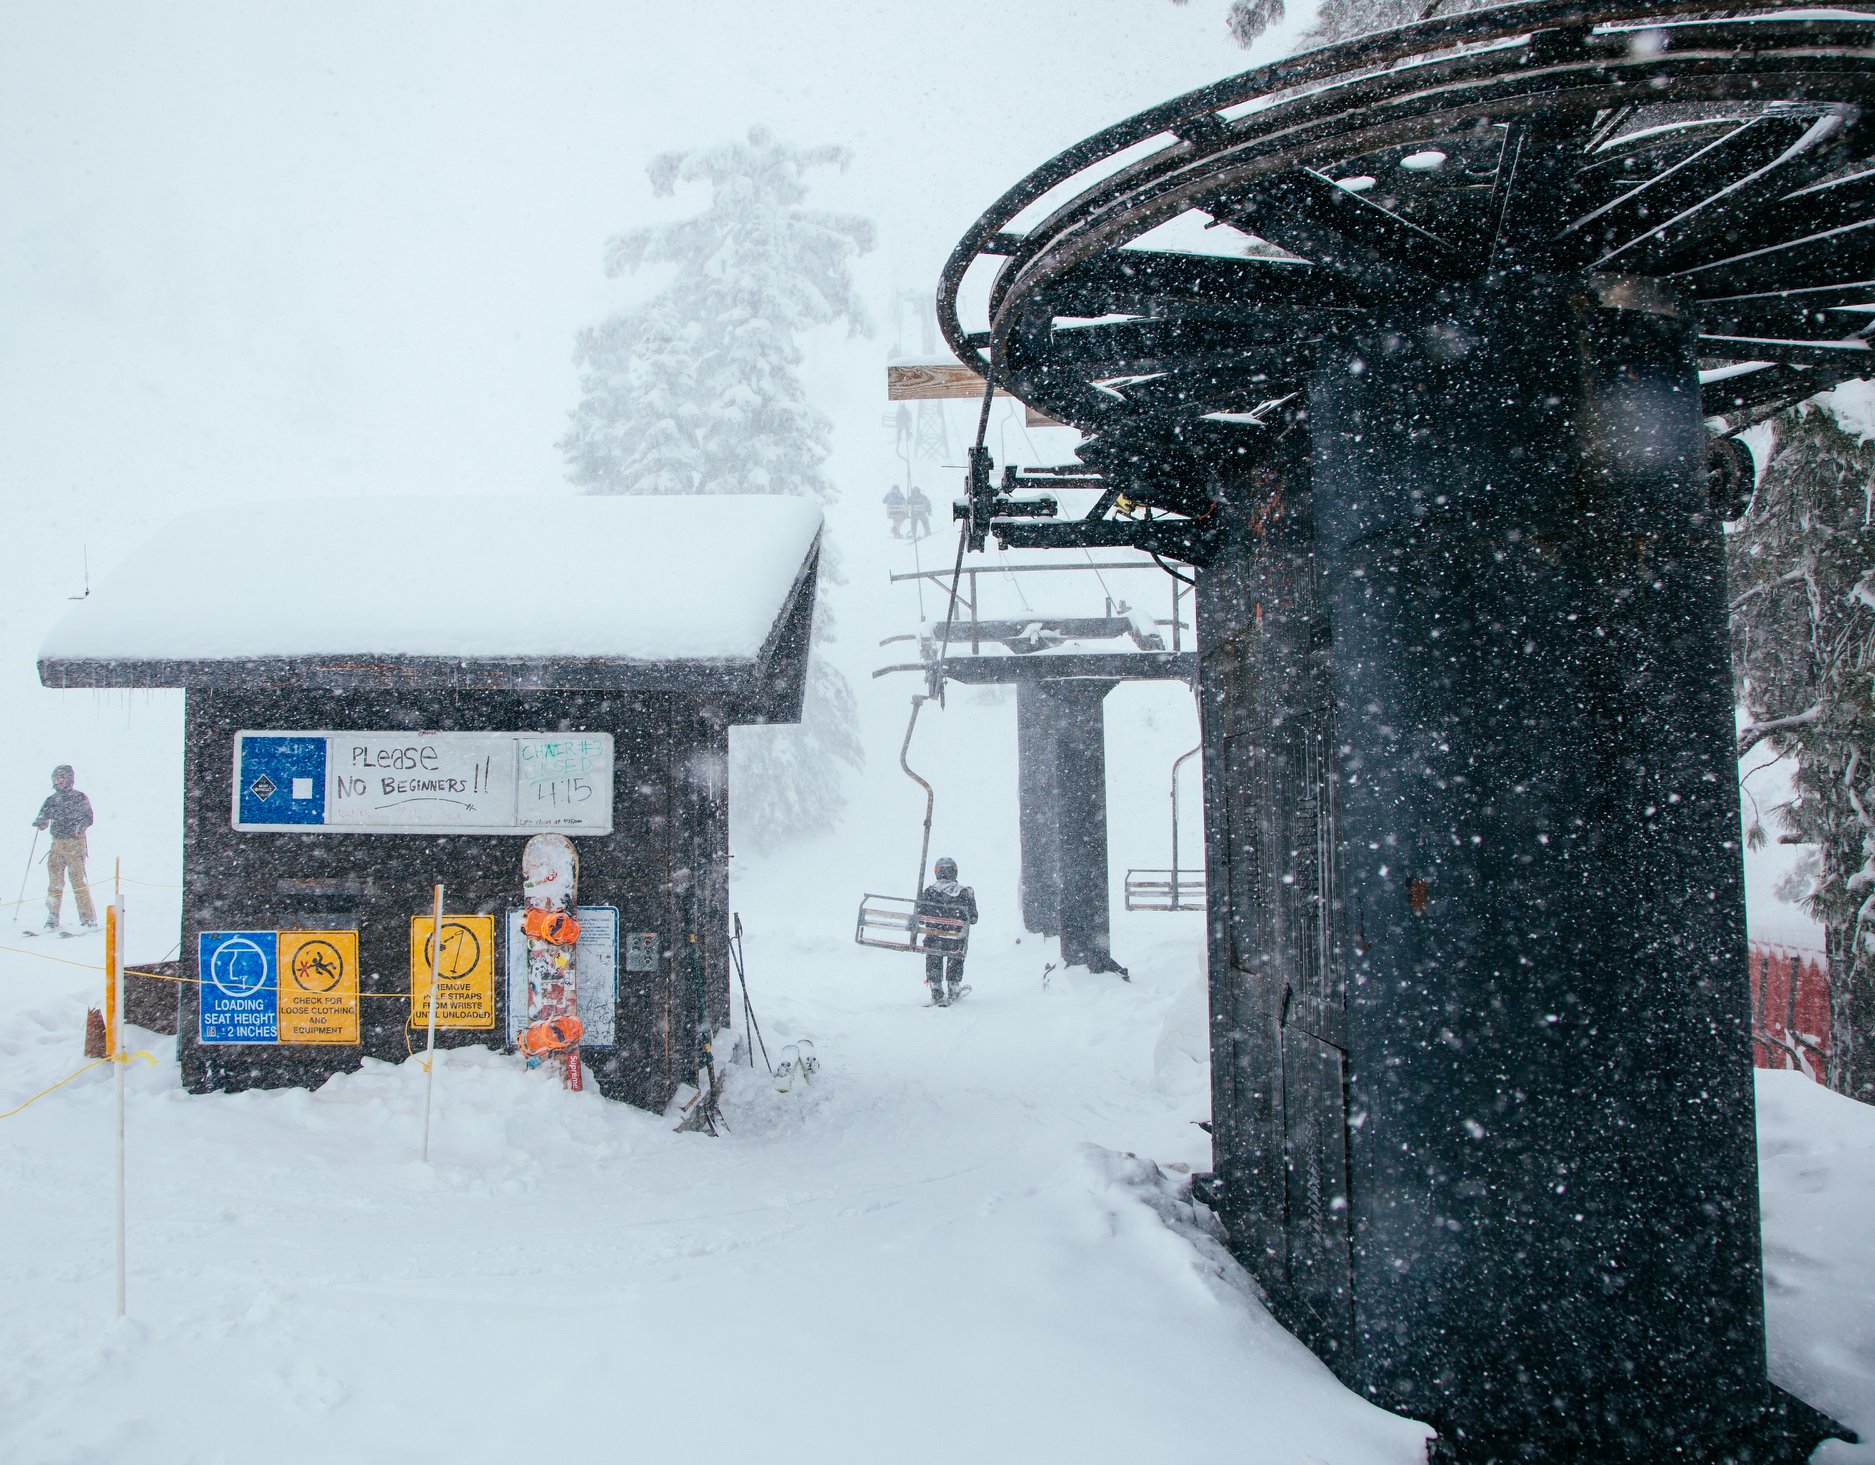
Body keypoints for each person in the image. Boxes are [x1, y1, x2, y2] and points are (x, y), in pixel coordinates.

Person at [34, 764, 95, 931]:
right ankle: (52, 916)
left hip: (75, 844)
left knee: (77, 881)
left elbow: (89, 817)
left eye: (62, 777)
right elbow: (43, 815)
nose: (58, 781)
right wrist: (40, 821)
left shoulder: (80, 797)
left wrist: (81, 826)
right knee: (55, 882)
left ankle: (87, 918)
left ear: (70, 779)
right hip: (57, 844)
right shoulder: (52, 800)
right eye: (56, 778)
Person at [915, 856, 978, 1005]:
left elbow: (921, 918)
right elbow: (973, 918)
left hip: (933, 940)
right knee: (956, 947)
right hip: (955, 942)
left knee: (934, 949)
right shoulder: (965, 893)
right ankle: (953, 985)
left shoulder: (929, 892)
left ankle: (936, 987)